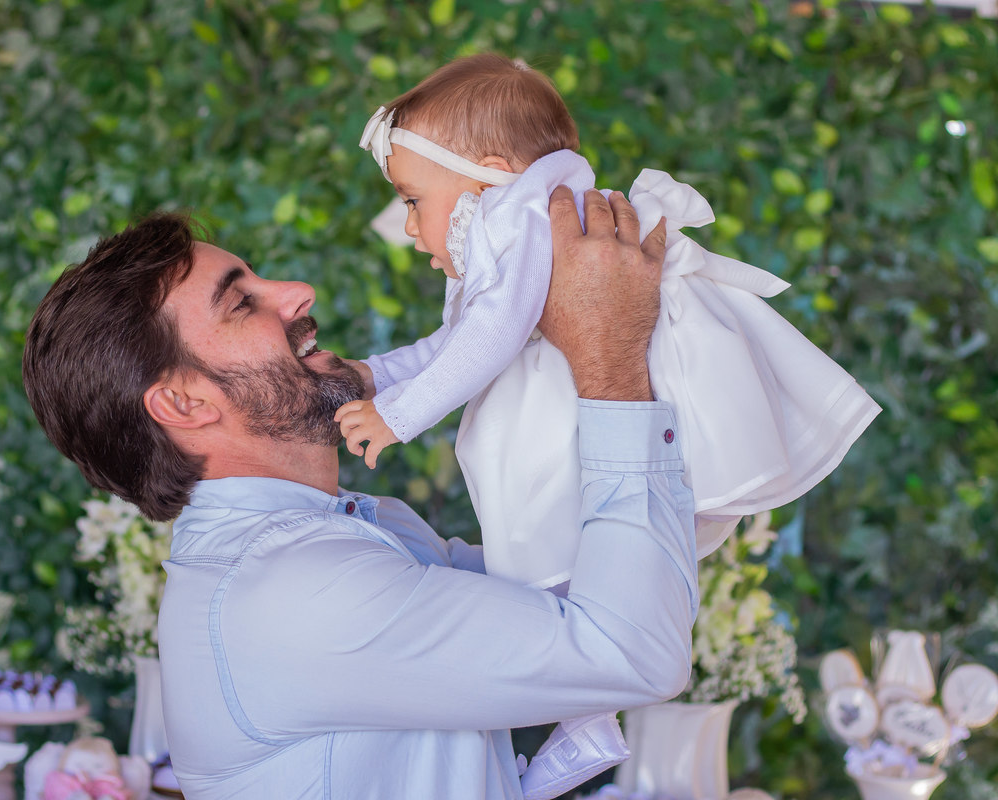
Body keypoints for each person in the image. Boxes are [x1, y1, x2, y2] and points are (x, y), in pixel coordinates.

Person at [22, 188, 698, 799]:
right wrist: (609, 359)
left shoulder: (354, 532)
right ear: (184, 403)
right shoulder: (290, 589)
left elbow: (580, 584)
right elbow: (629, 651)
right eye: (242, 302)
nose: (298, 292)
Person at [338, 52, 880, 796]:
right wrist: (375, 375)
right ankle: (586, 718)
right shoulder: (521, 217)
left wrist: (399, 415)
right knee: (577, 557)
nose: (407, 227)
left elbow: (487, 339)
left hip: (573, 402)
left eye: (412, 200)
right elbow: (456, 340)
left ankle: (586, 715)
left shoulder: (524, 219)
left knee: (554, 542)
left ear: (488, 176)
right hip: (577, 397)